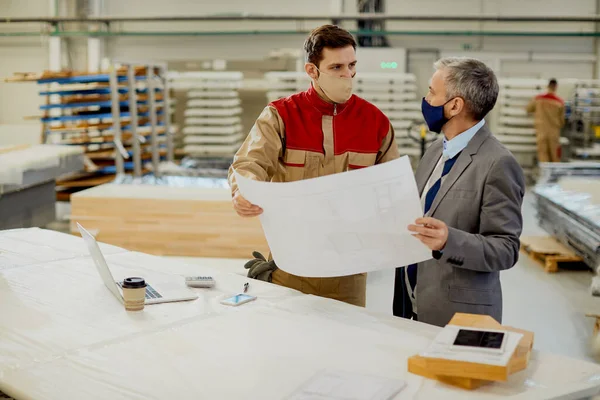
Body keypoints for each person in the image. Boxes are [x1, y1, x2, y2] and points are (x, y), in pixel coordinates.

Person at [227, 24, 400, 307]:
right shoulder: (281, 115)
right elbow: (249, 162)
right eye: (336, 68)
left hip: (349, 273)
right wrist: (242, 190)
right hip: (291, 267)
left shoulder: (375, 122)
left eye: (352, 65)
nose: (348, 75)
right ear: (312, 71)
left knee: (347, 345)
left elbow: (392, 189)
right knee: (289, 346)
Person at [392, 57, 525, 327]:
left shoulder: (497, 163)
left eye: (431, 91)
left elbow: (505, 248)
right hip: (410, 305)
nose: (426, 99)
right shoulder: (434, 152)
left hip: (456, 314)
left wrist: (447, 241)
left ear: (454, 105)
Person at [526, 78, 566, 163]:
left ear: (548, 86)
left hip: (541, 131)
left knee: (543, 154)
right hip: (554, 132)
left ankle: (545, 174)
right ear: (556, 87)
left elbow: (528, 109)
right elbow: (562, 121)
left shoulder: (538, 99)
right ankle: (555, 174)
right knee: (555, 155)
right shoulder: (560, 102)